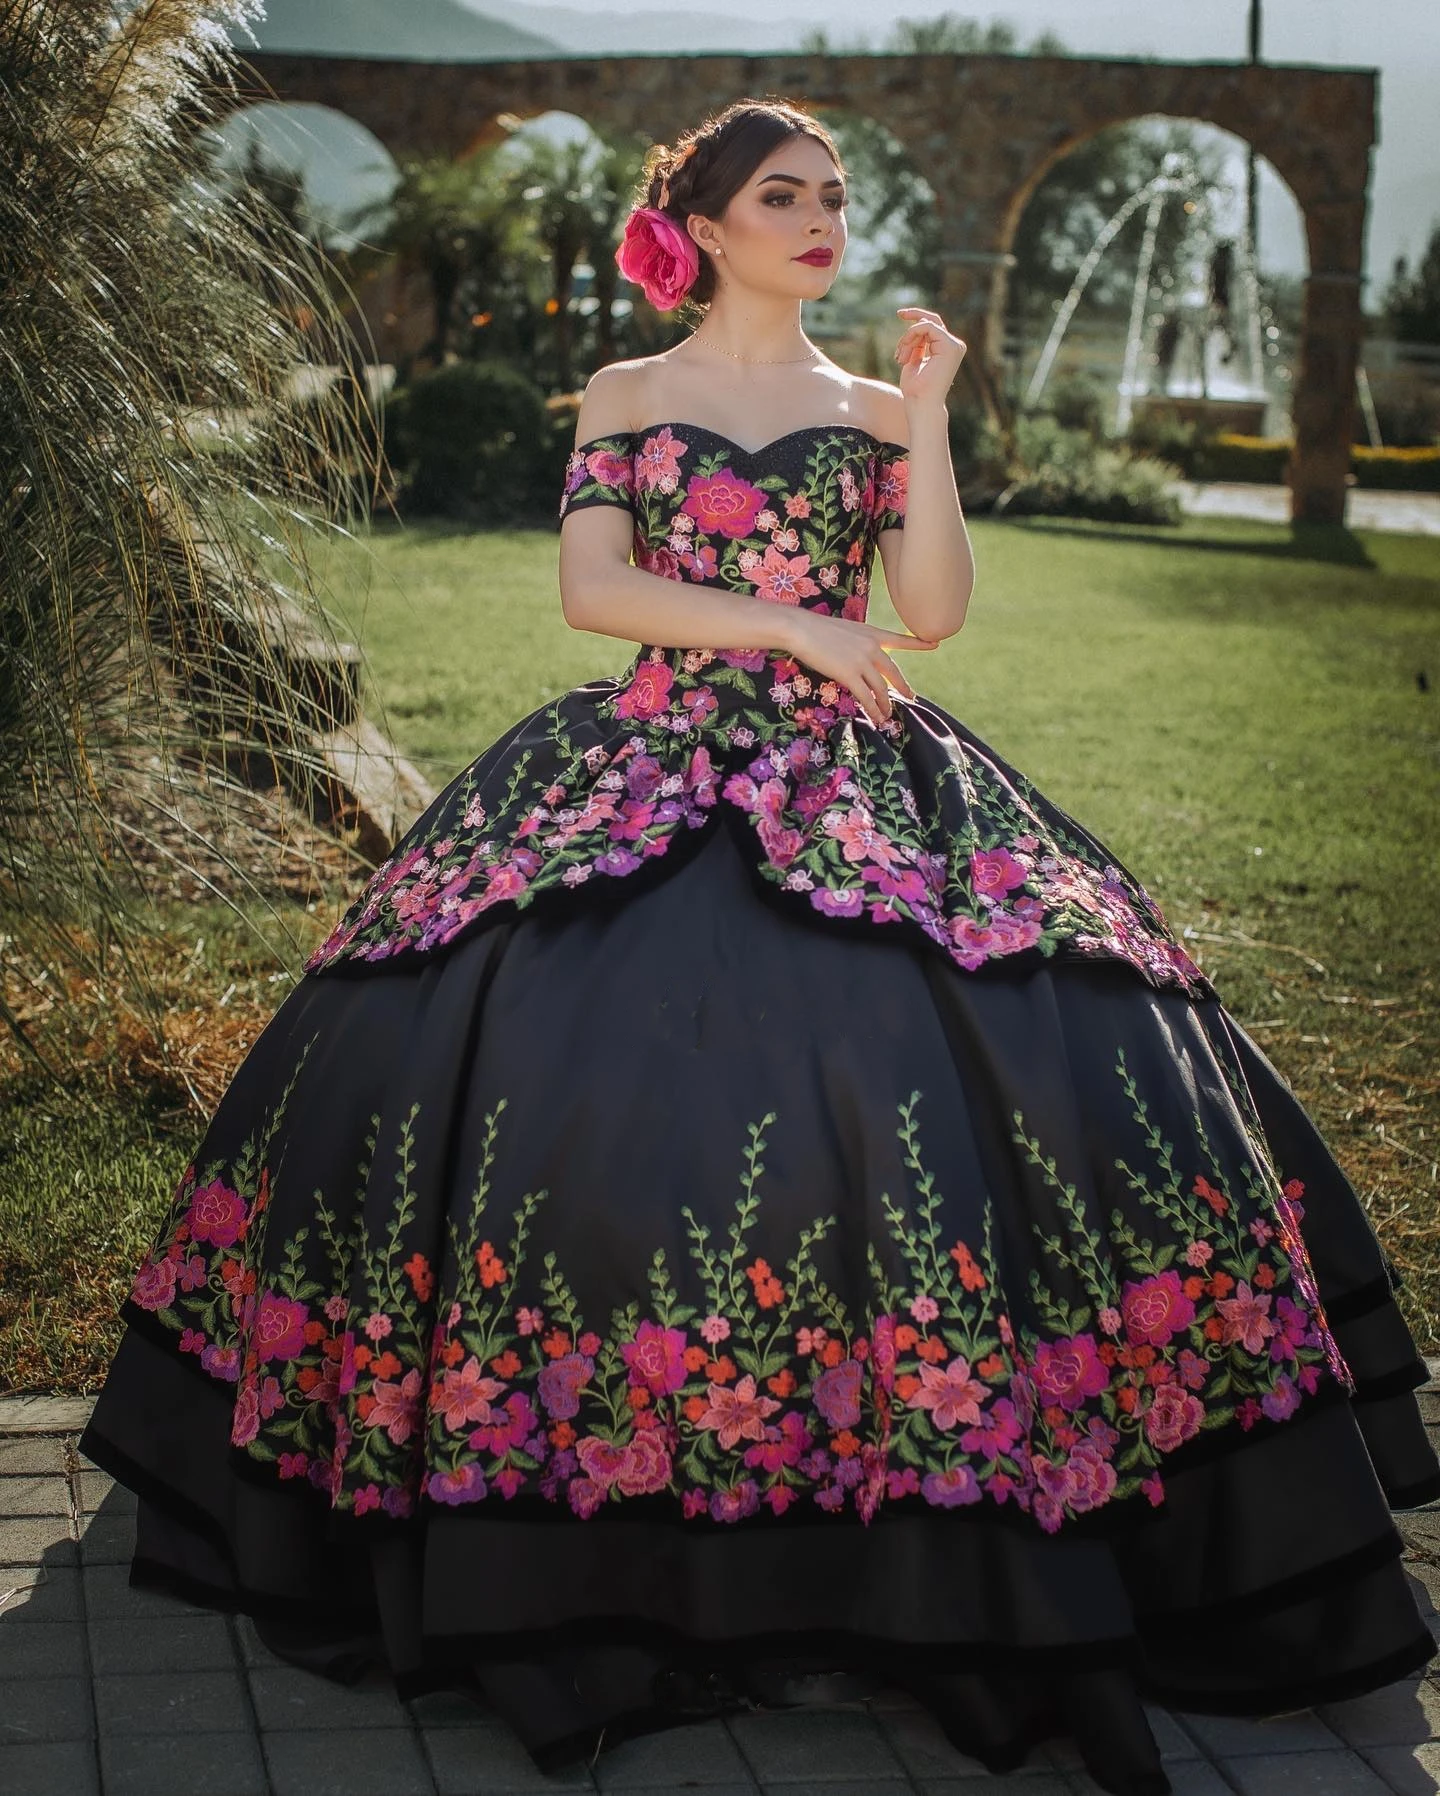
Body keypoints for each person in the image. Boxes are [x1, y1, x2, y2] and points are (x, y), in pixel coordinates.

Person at [78, 97, 1439, 1796]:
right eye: (783, 195)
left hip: (861, 777)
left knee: (981, 1048)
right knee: (548, 1040)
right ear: (705, 224)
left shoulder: (875, 406)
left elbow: (929, 616)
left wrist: (928, 425)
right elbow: (595, 590)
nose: (821, 220)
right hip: (645, 752)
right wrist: (792, 617)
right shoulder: (633, 394)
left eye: (835, 196)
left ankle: (932, 1516)